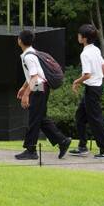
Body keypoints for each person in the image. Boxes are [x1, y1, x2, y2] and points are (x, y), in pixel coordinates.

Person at [15, 29, 69, 160]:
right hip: (40, 86)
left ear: (20, 41)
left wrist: (26, 94)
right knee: (40, 118)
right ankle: (62, 141)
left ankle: (31, 150)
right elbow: (33, 75)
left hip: (39, 87)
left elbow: (34, 77)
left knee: (34, 118)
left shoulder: (29, 57)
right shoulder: (32, 53)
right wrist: (23, 87)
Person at [69, 23, 104, 158]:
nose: (78, 36)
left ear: (84, 38)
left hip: (92, 89)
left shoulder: (85, 53)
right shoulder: (95, 50)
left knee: (95, 120)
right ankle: (82, 147)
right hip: (95, 87)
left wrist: (76, 82)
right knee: (80, 117)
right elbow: (103, 65)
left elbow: (87, 74)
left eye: (79, 35)